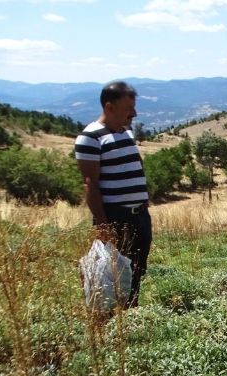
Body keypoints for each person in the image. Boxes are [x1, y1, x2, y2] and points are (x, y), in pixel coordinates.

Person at [74, 81, 151, 308]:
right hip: (117, 217)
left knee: (136, 269)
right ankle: (108, 320)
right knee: (111, 273)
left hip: (139, 216)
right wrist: (103, 226)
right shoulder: (90, 138)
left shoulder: (125, 132)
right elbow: (91, 185)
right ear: (109, 107)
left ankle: (130, 314)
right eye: (129, 109)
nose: (134, 114)